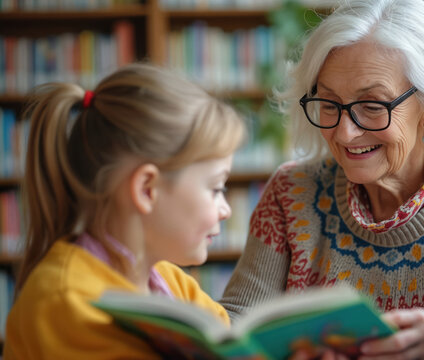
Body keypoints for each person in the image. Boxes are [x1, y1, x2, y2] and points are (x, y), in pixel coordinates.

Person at [220, 0, 424, 358]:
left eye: (373, 106)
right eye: (329, 104)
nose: (345, 133)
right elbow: (237, 324)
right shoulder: (291, 193)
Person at [3, 63, 246, 359]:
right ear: (147, 190)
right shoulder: (65, 299)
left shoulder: (174, 283)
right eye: (216, 188)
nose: (226, 210)